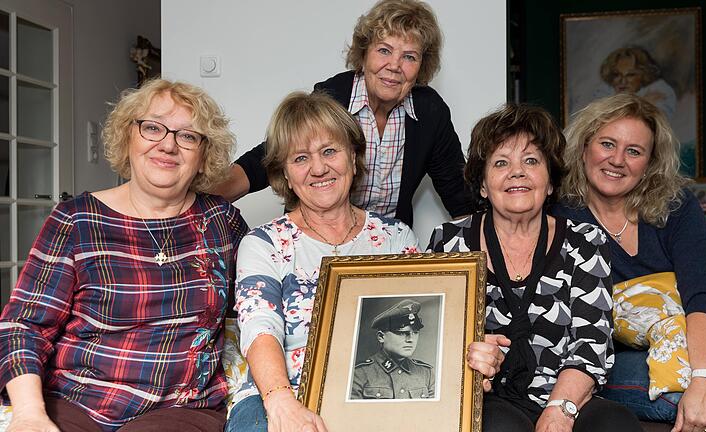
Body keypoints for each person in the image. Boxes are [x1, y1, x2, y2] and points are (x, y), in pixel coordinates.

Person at [0, 79, 248, 431]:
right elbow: (24, 324)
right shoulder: (77, 219)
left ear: (204, 155)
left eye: (188, 136)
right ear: (127, 136)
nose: (168, 145)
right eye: (152, 128)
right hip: (77, 400)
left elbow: (262, 298)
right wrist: (29, 414)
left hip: (180, 408)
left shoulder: (220, 220)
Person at [427, 103, 642, 432]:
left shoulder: (585, 241)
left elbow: (591, 343)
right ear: (483, 185)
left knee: (616, 425)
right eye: (501, 163)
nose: (517, 172)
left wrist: (560, 409)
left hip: (566, 395)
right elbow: (434, 341)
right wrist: (470, 353)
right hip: (488, 397)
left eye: (531, 161)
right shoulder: (450, 242)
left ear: (551, 181)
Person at [227, 92, 419, 432]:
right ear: (284, 174)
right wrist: (282, 403)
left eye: (330, 151)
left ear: (354, 158)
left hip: (377, 391)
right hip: (280, 391)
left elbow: (418, 324)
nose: (319, 168)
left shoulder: (395, 237)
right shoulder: (262, 244)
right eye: (300, 158)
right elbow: (260, 329)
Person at [551, 93, 706, 431]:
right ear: (583, 148)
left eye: (634, 151)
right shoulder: (559, 213)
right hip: (602, 357)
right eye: (607, 144)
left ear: (651, 163)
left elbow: (703, 291)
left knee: (705, 387)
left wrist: (704, 379)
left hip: (688, 341)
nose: (618, 160)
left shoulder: (676, 205)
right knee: (676, 394)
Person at [217, 0, 472, 227]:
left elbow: (457, 193)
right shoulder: (333, 96)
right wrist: (200, 200)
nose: (394, 66)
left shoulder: (429, 112)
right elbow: (269, 157)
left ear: (421, 66)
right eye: (384, 50)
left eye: (409, 57)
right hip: (319, 238)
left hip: (389, 247)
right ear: (364, 54)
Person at [351, 299, 434, 400]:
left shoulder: (426, 373)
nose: (410, 340)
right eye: (402, 333)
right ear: (381, 337)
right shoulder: (359, 373)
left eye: (415, 332)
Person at [595, 46, 676, 118]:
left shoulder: (660, 88)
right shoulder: (604, 90)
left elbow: (656, 123)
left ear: (644, 75)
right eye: (617, 74)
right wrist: (642, 103)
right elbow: (601, 119)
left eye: (630, 75)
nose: (623, 81)